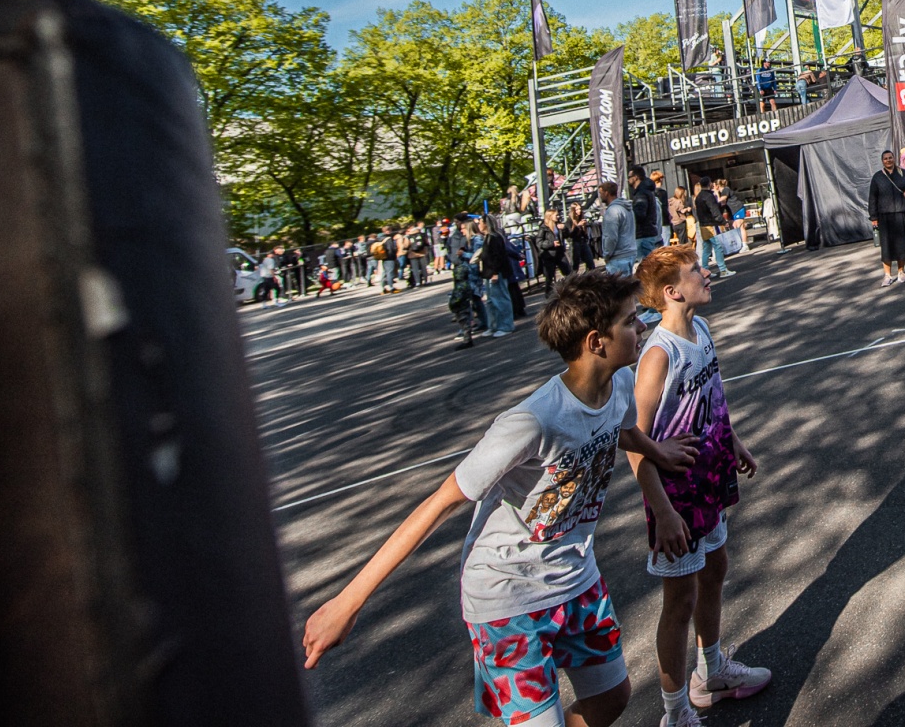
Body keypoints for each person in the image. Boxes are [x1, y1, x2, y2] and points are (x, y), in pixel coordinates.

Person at [299, 271, 701, 727]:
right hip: (507, 597)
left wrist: (657, 452)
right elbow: (440, 503)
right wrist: (347, 602)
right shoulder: (532, 421)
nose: (643, 325)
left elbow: (622, 428)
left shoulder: (620, 384)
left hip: (576, 578)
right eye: (629, 321)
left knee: (612, 699)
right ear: (596, 342)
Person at [629, 246, 772, 725]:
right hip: (676, 496)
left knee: (716, 568)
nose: (706, 272)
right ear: (672, 292)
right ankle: (675, 713)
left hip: (710, 476)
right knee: (680, 601)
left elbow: (713, 398)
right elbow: (635, 443)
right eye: (696, 270)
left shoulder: (702, 329)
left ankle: (712, 672)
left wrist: (734, 442)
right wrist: (663, 511)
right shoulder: (658, 354)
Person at [868, 150, 905, 286]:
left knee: (902, 246)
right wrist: (873, 217)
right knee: (887, 247)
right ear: (882, 161)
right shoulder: (877, 177)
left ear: (894, 159)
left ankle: (901, 272)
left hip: (901, 213)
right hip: (884, 216)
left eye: (890, 158)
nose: (888, 160)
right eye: (885, 159)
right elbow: (872, 198)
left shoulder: (902, 173)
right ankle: (887, 275)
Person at [479, 219, 517, 337]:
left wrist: (495, 272)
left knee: (500, 299)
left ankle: (506, 326)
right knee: (491, 301)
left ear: (486, 224)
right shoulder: (488, 237)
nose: (478, 225)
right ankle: (493, 325)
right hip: (489, 272)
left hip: (496, 272)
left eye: (480, 222)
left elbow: (497, 256)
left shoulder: (494, 238)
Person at [628, 167, 666, 266]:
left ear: (635, 177)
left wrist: (630, 215)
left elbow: (640, 214)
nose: (628, 180)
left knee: (647, 267)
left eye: (629, 177)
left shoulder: (641, 193)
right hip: (650, 233)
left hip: (643, 234)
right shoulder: (647, 191)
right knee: (652, 266)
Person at [693, 179, 728, 277]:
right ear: (710, 184)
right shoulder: (709, 196)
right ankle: (723, 269)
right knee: (718, 246)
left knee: (707, 247)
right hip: (711, 224)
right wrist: (723, 221)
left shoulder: (698, 196)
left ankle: (705, 271)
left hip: (702, 224)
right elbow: (714, 210)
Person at [599, 180, 635, 275]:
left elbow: (611, 237)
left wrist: (607, 254)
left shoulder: (612, 211)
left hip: (618, 257)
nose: (600, 196)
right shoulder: (627, 208)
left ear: (606, 193)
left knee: (619, 284)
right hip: (630, 252)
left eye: (601, 193)